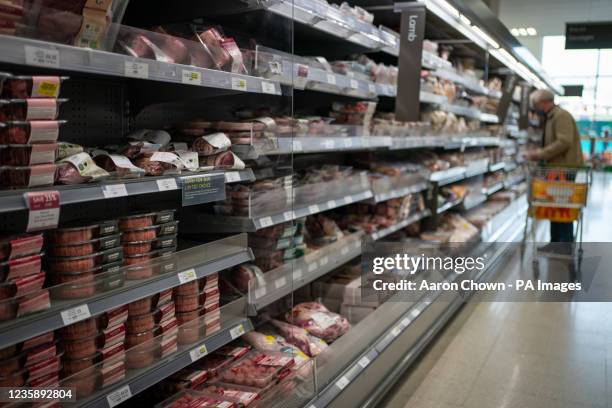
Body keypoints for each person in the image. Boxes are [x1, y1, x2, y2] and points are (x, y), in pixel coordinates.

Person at [524, 89, 583, 247]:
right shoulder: (552, 117)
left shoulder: (560, 116)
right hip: (557, 168)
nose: (536, 107)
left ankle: (563, 242)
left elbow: (564, 141)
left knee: (563, 205)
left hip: (564, 168)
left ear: (544, 102)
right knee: (556, 205)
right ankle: (556, 241)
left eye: (536, 104)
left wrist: (540, 154)